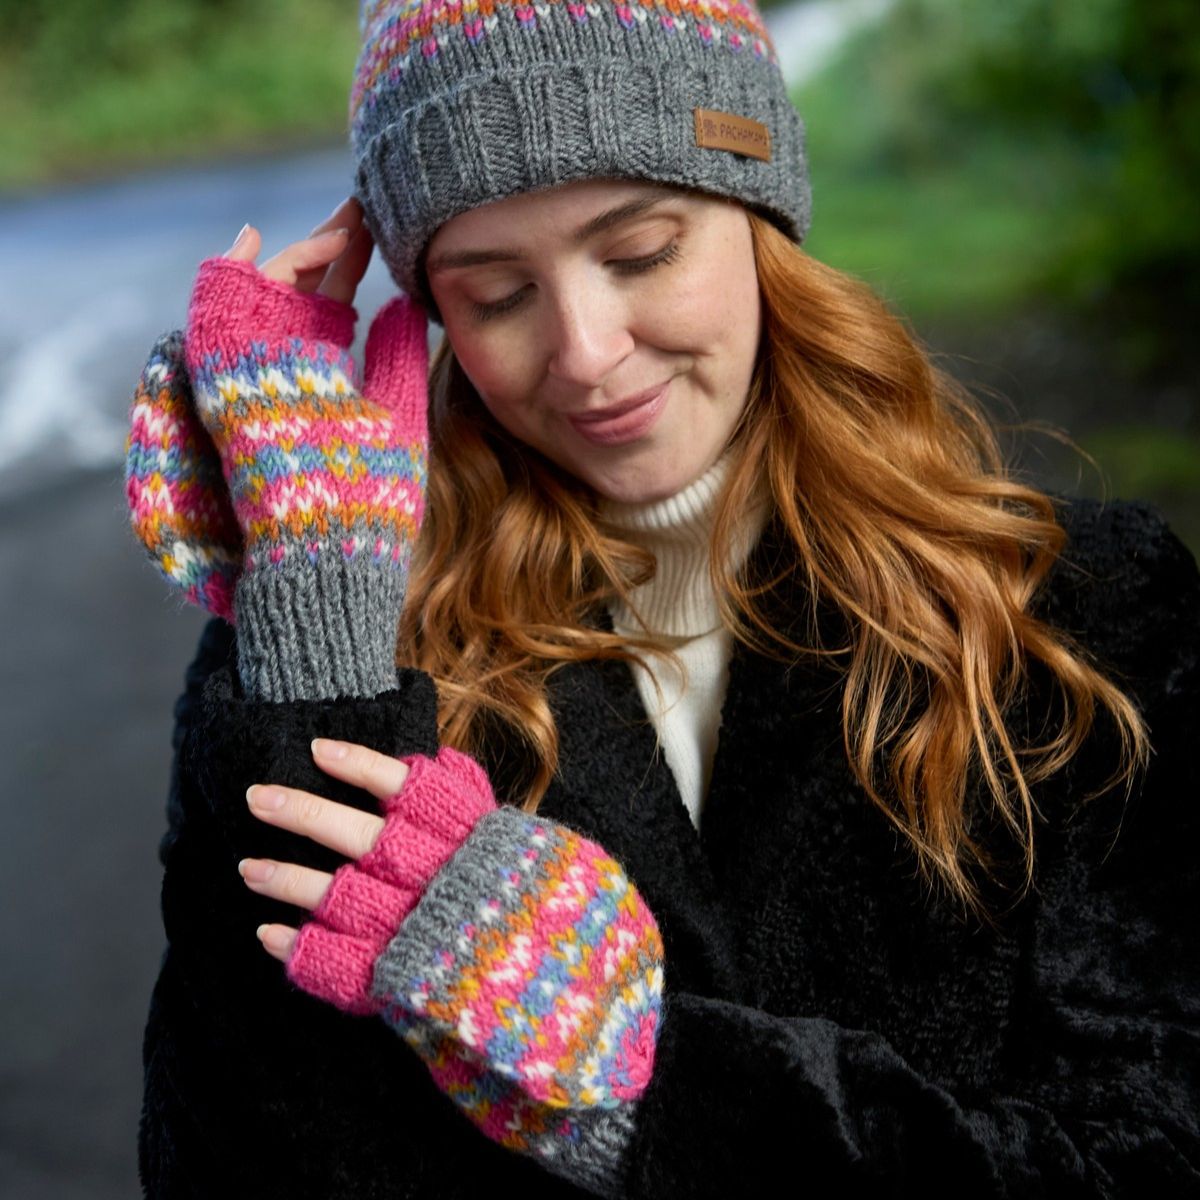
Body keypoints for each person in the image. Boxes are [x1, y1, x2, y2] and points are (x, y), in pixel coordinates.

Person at [122, 1, 1200, 1196]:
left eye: (640, 254)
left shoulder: (1089, 618)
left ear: (758, 219)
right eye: (495, 296)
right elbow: (241, 1150)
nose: (585, 350)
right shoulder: (349, 649)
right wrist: (316, 602)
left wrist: (637, 1076)